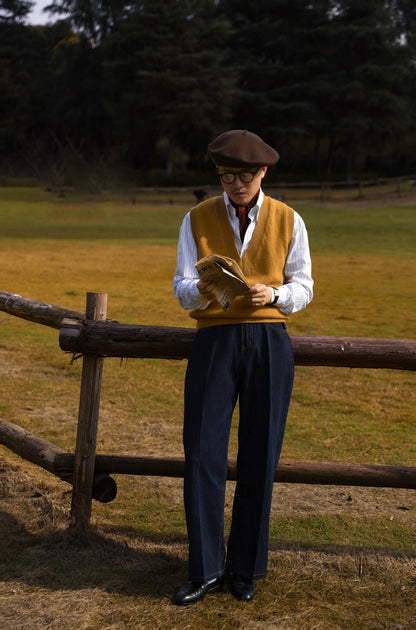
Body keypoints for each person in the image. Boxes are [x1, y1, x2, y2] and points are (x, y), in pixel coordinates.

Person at [173, 129, 313, 605]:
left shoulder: (290, 219)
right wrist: (204, 290)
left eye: (245, 175)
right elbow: (181, 285)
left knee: (260, 455)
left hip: (270, 341)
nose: (235, 184)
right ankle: (205, 568)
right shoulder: (195, 218)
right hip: (214, 339)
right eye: (226, 175)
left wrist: (272, 294)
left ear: (263, 173)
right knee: (202, 453)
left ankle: (245, 568)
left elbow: (304, 286)